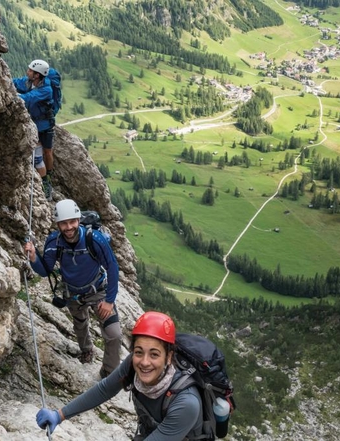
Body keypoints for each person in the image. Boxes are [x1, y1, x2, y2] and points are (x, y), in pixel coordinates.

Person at [35, 311, 203, 440]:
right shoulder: (133, 363)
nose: (144, 362)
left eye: (154, 354)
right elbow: (105, 389)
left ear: (169, 357)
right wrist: (60, 414)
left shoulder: (186, 403)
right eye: (139, 352)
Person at [23, 199, 122, 378]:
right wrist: (33, 258)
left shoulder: (95, 239)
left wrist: (109, 300)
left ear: (78, 220)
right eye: (63, 223)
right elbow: (46, 271)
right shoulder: (54, 242)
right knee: (80, 324)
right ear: (58, 224)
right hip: (73, 293)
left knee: (113, 333)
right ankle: (86, 350)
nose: (68, 227)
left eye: (72, 222)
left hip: (97, 291)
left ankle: (109, 373)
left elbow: (113, 267)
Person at [13, 59, 55, 200]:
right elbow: (15, 82)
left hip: (45, 126)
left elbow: (28, 98)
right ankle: (44, 180)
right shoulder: (28, 82)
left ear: (37, 75)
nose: (28, 72)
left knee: (48, 152)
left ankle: (48, 178)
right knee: (37, 158)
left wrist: (15, 95)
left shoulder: (46, 90)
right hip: (35, 125)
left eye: (30, 70)